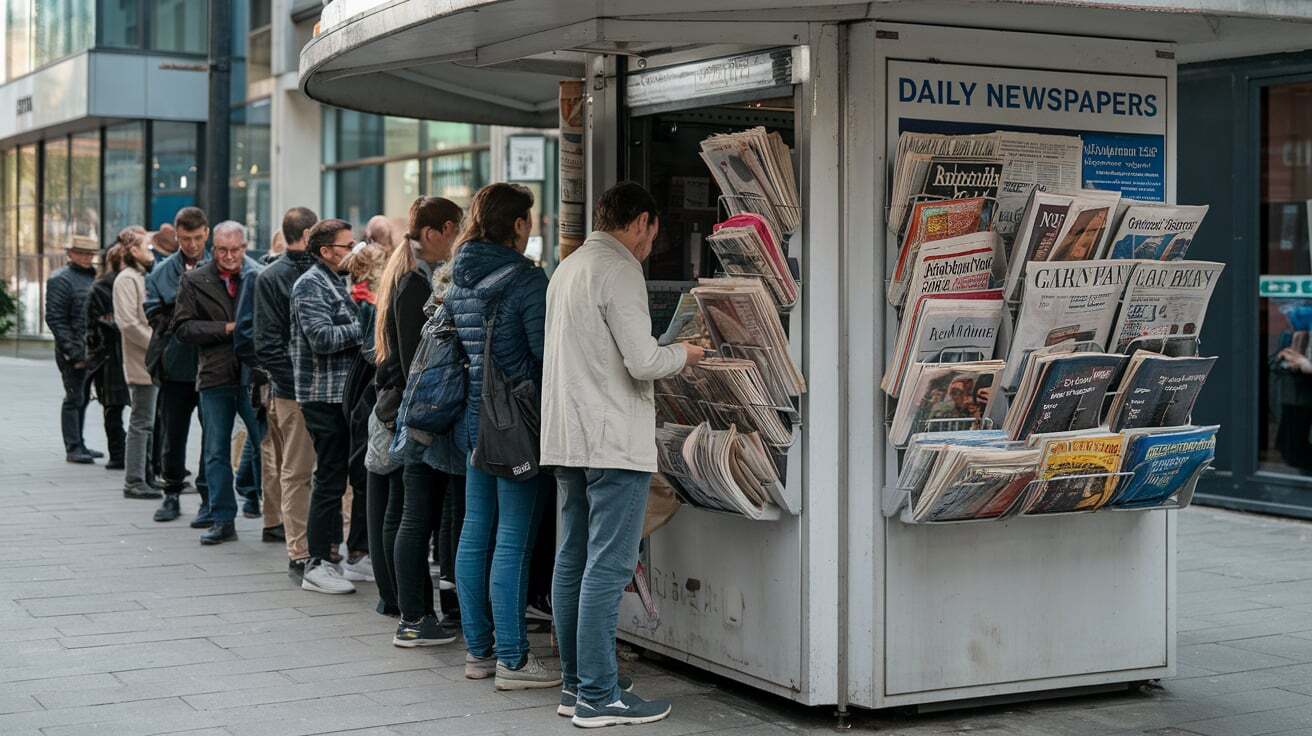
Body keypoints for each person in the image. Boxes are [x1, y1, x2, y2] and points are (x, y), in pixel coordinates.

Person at [542, 181, 705, 727]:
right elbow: (643, 361)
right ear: (641, 222)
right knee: (607, 567)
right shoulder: (620, 271)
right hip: (612, 439)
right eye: (651, 233)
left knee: (573, 560)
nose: (650, 245)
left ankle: (575, 684)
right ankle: (597, 694)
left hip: (568, 436)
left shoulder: (568, 268)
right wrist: (686, 351)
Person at [445, 183, 555, 689]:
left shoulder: (458, 276)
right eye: (528, 219)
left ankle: (480, 652)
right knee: (512, 540)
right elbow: (543, 355)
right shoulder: (527, 281)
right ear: (517, 225)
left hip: (473, 420)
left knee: (475, 533)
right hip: (515, 424)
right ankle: (513, 659)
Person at [375, 196, 466, 646]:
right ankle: (414, 617)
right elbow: (418, 364)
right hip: (423, 417)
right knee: (417, 516)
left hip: (419, 415)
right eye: (455, 231)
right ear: (435, 233)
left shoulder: (410, 276)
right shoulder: (414, 284)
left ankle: (421, 613)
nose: (458, 241)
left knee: (419, 514)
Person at [172, 221, 264, 545]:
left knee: (265, 444)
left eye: (235, 250)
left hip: (253, 375)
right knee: (215, 450)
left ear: (244, 246)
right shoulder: (194, 279)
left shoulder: (258, 273)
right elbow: (182, 328)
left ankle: (274, 516)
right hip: (214, 373)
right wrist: (225, 328)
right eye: (222, 250)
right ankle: (222, 518)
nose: (229, 256)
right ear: (214, 249)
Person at [290, 218, 364, 594]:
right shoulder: (310, 285)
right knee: (329, 479)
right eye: (346, 246)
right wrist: (364, 326)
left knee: (346, 478)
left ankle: (343, 556)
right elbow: (321, 338)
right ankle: (316, 562)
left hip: (344, 394)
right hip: (322, 396)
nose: (353, 251)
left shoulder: (339, 280)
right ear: (325, 251)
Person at [254, 207, 320, 581]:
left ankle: (309, 547)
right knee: (297, 471)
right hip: (293, 391)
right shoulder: (276, 276)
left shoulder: (284, 274)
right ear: (309, 234)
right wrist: (295, 382)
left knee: (302, 471)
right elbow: (267, 344)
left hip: (298, 389)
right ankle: (300, 549)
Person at [145, 207, 210, 524]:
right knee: (173, 432)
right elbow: (152, 311)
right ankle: (171, 491)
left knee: (213, 434)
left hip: (213, 363)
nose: (193, 245)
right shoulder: (162, 272)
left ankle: (208, 495)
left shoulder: (219, 263)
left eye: (198, 238)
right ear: (177, 235)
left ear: (206, 234)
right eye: (186, 239)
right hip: (176, 363)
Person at [45, 235, 101, 464]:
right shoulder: (61, 279)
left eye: (90, 254)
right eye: (82, 253)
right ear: (71, 254)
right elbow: (55, 318)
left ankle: (80, 442)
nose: (87, 258)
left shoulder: (92, 278)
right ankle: (73, 446)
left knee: (84, 397)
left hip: (91, 348)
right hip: (73, 350)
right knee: (74, 396)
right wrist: (73, 351)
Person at [114, 228, 160, 500]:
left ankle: (146, 476)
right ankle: (134, 479)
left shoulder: (139, 277)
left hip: (149, 361)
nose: (150, 252)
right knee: (141, 421)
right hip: (141, 361)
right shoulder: (126, 279)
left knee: (148, 422)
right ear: (133, 251)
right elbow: (128, 323)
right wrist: (156, 345)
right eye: (146, 247)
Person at [85, 239, 131, 473]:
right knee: (117, 407)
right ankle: (120, 453)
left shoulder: (104, 286)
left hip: (115, 355)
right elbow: (98, 324)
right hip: (112, 355)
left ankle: (121, 454)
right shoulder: (107, 287)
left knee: (115, 408)